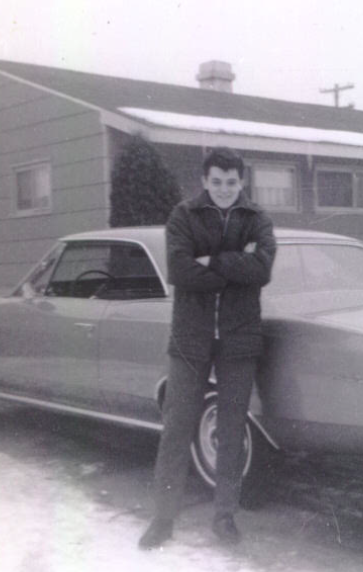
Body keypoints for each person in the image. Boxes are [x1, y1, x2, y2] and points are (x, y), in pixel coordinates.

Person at [139, 147, 276, 549]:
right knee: (177, 427)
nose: (223, 190)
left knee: (232, 430)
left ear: (242, 182)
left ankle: (224, 516)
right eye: (216, 182)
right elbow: (180, 270)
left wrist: (210, 260)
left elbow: (263, 269)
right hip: (190, 337)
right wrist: (236, 267)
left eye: (231, 183)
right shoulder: (184, 215)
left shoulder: (257, 218)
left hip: (239, 338)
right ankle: (162, 519)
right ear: (204, 180)